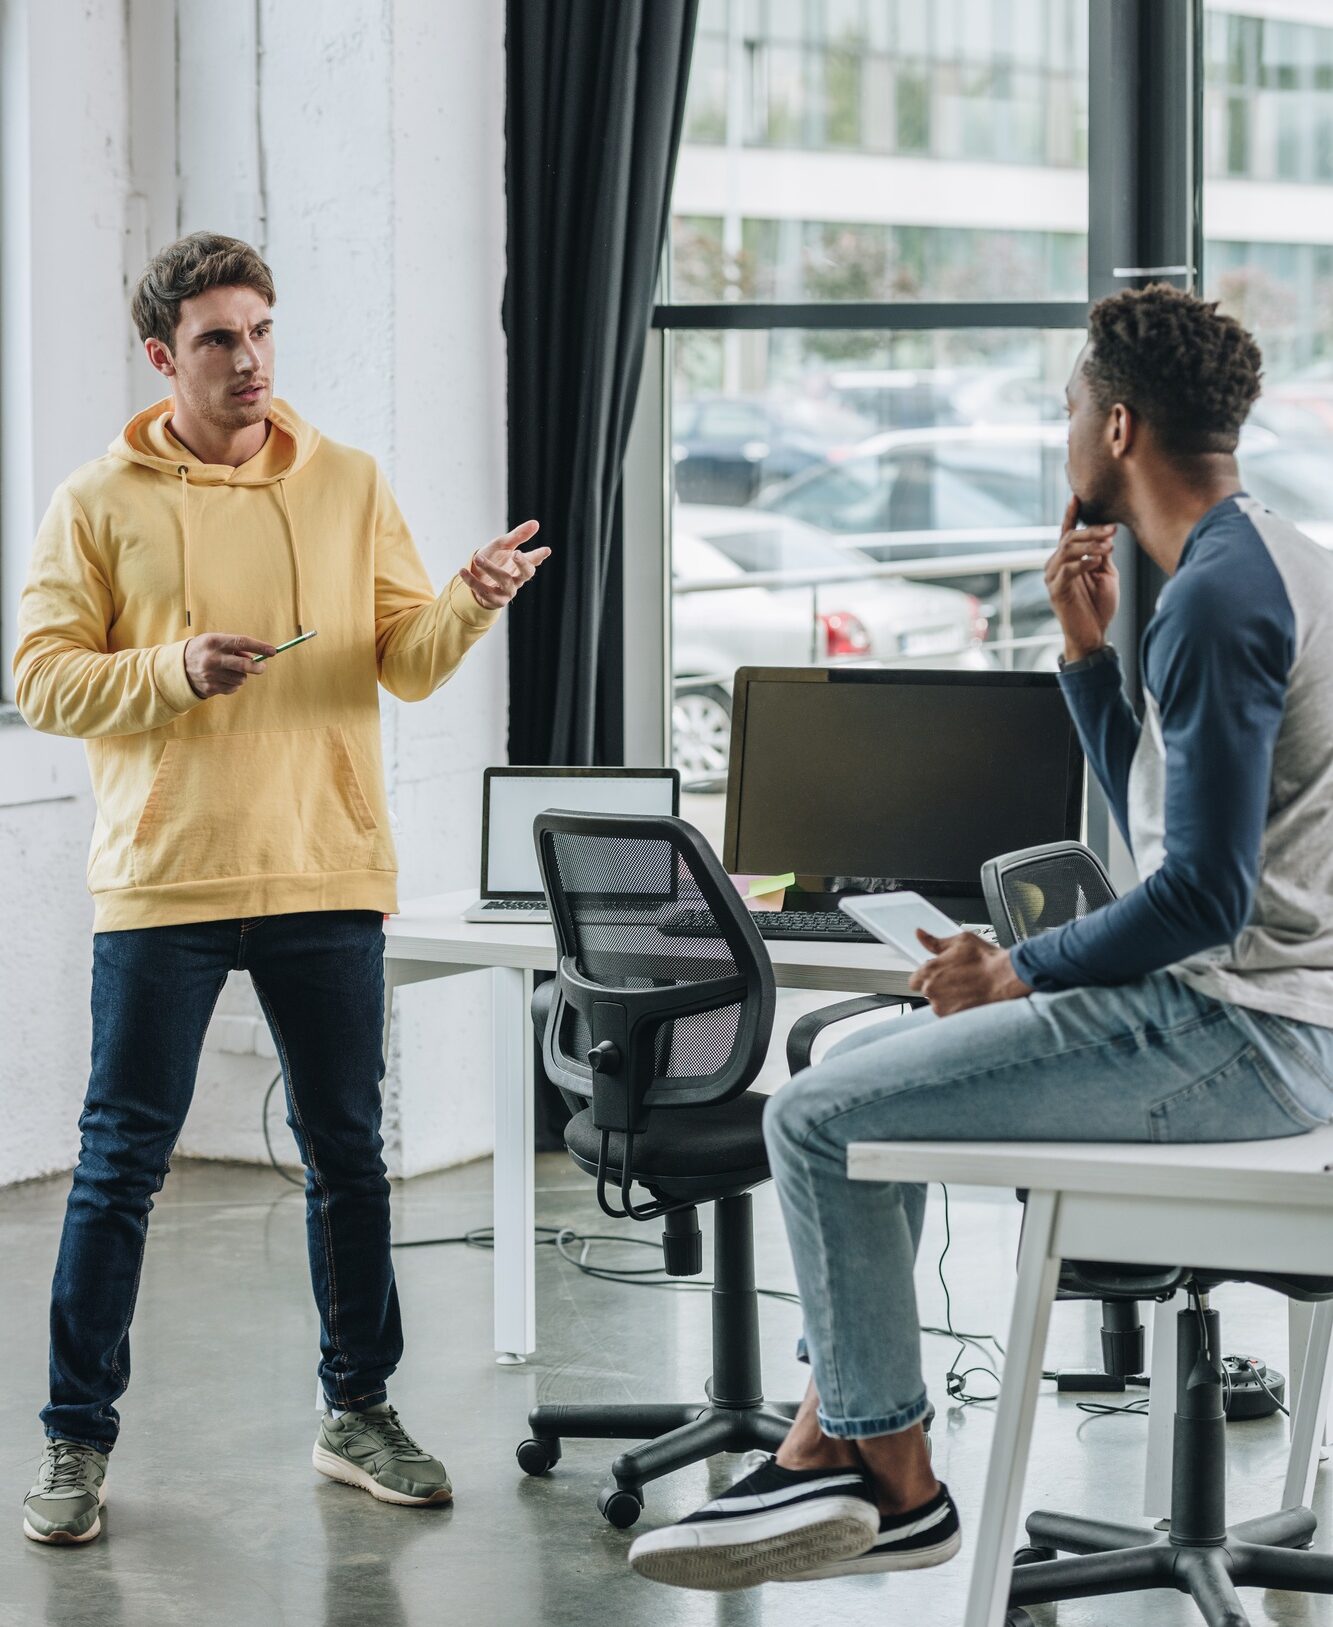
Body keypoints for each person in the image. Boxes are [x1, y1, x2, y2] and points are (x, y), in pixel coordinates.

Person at [628, 283, 1333, 1592]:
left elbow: (1203, 899)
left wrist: (1010, 965)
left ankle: (884, 1475)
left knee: (809, 1117)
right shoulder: (1267, 562)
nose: (1060, 429)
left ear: (1115, 425)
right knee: (863, 1085)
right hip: (1260, 1020)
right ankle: (831, 1442)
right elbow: (1167, 820)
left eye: (1068, 405)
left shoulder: (1216, 603)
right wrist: (1081, 663)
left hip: (1232, 1034)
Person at [14, 232, 549, 1545]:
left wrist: (470, 600)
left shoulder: (349, 483)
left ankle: (356, 1410)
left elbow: (405, 663)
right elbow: (38, 679)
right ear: (162, 356)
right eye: (215, 339)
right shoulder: (96, 501)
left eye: (259, 331)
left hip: (325, 867)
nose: (247, 359)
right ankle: (75, 1442)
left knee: (348, 1157)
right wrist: (171, 669)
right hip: (166, 879)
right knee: (117, 1168)